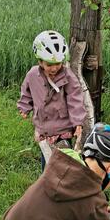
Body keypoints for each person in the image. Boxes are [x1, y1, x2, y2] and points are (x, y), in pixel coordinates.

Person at [18, 30, 86, 169]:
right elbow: (27, 91)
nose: (54, 68)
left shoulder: (67, 76)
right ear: (40, 62)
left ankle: (64, 184)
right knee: (47, 160)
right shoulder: (32, 75)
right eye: (49, 65)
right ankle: (47, 182)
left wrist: (78, 121)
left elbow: (75, 98)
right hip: (44, 127)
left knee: (64, 160)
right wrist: (25, 106)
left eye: (58, 64)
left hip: (63, 127)